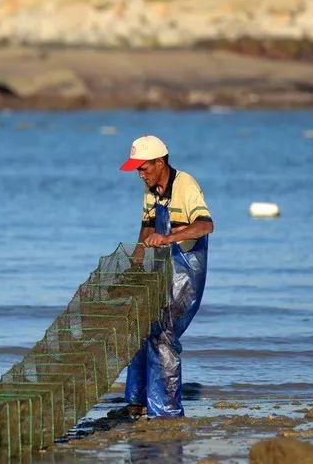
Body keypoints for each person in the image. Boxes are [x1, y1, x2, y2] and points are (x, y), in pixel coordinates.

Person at [119, 135, 213, 418]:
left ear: (159, 162)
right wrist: (136, 263)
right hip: (161, 268)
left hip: (186, 270)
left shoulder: (186, 185)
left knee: (163, 334)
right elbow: (147, 228)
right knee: (141, 325)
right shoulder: (151, 190)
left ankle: (167, 411)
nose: (139, 173)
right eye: (136, 168)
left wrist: (169, 237)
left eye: (143, 167)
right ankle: (137, 401)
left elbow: (206, 225)